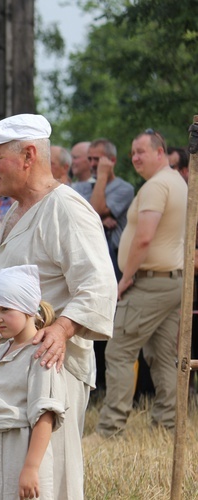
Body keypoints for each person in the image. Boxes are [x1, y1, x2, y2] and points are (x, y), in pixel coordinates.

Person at [0, 113, 117, 499]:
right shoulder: (14, 212)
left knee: (46, 478)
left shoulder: (65, 209)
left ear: (28, 155)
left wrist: (62, 328)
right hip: (9, 371)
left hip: (49, 369)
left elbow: (99, 284)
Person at [95, 130, 187, 437]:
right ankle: (167, 426)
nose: (135, 157)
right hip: (172, 282)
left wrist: (127, 276)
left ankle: (110, 430)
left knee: (119, 351)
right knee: (162, 357)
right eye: (132, 152)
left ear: (159, 152)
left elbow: (145, 236)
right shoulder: (177, 182)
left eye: (141, 151)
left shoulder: (156, 186)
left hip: (148, 282)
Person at [0, 265, 66, 500]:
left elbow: (44, 415)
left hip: (22, 449)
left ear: (28, 309)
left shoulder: (40, 352)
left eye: (5, 309)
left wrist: (31, 467)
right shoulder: (0, 351)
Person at [73, 139, 134, 279]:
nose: (92, 164)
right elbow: (76, 216)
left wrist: (102, 176)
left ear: (111, 161)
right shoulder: (81, 187)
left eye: (97, 159)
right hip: (87, 256)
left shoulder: (124, 189)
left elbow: (95, 209)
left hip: (113, 257)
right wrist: (101, 219)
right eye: (89, 159)